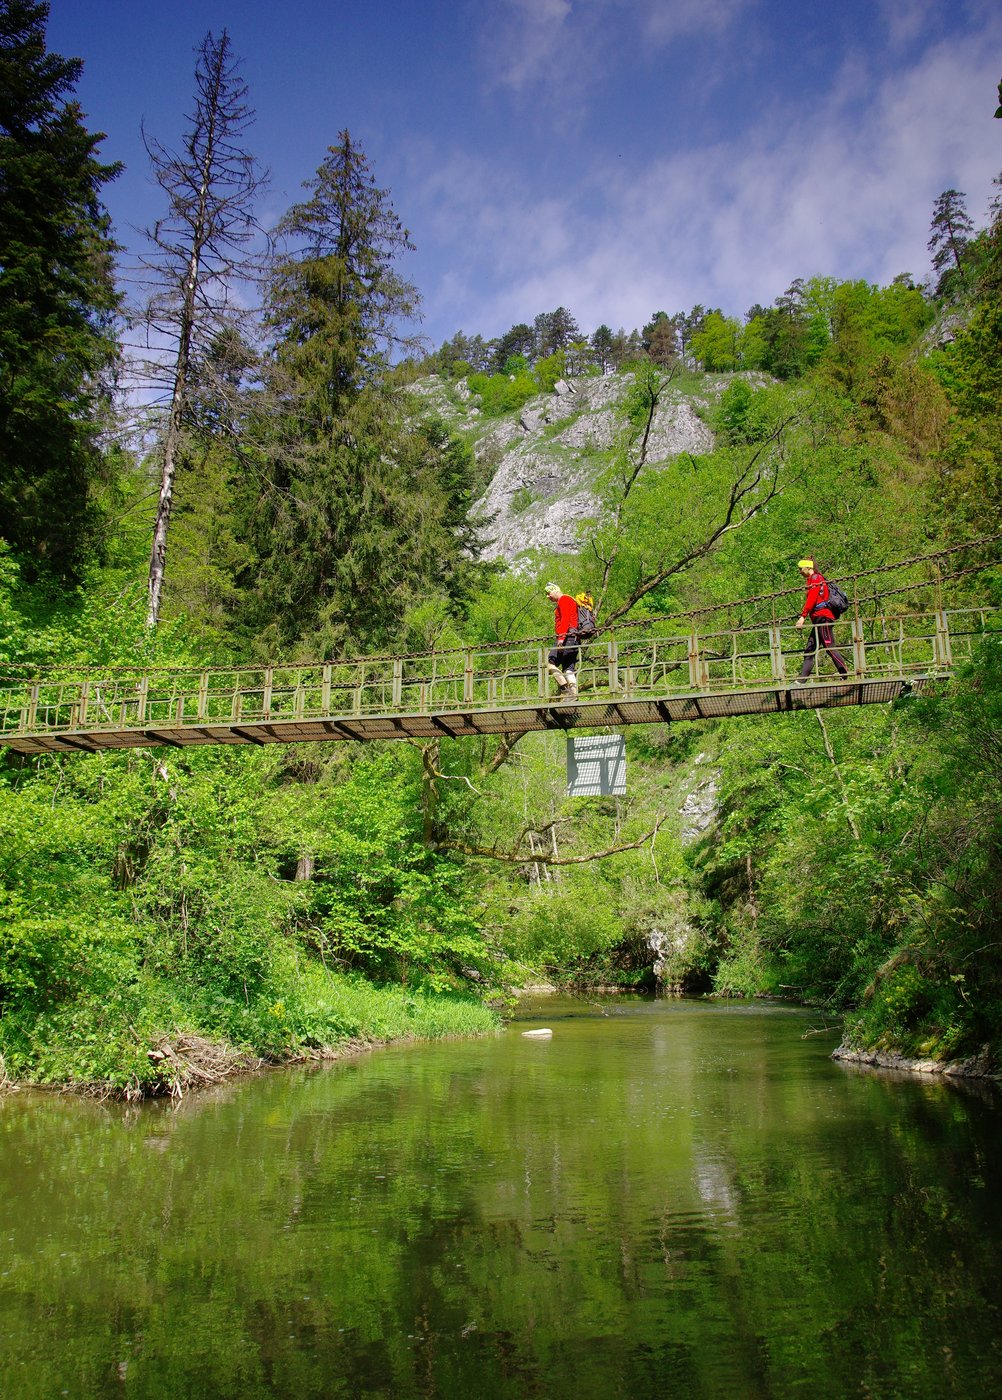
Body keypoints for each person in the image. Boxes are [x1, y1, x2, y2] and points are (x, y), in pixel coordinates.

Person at [795, 558, 849, 681]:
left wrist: (803, 616)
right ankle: (801, 680)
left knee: (829, 646)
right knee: (810, 649)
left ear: (808, 567)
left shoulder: (816, 578)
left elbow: (812, 598)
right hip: (818, 619)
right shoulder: (813, 580)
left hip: (823, 618)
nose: (800, 572)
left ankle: (844, 673)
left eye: (801, 569)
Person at [544, 581, 580, 699]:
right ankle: (574, 695)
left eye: (548, 593)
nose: (547, 596)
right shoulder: (571, 600)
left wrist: (561, 638)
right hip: (574, 638)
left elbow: (565, 619)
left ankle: (565, 690)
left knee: (549, 663)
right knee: (568, 668)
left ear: (556, 590)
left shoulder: (564, 599)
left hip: (566, 638)